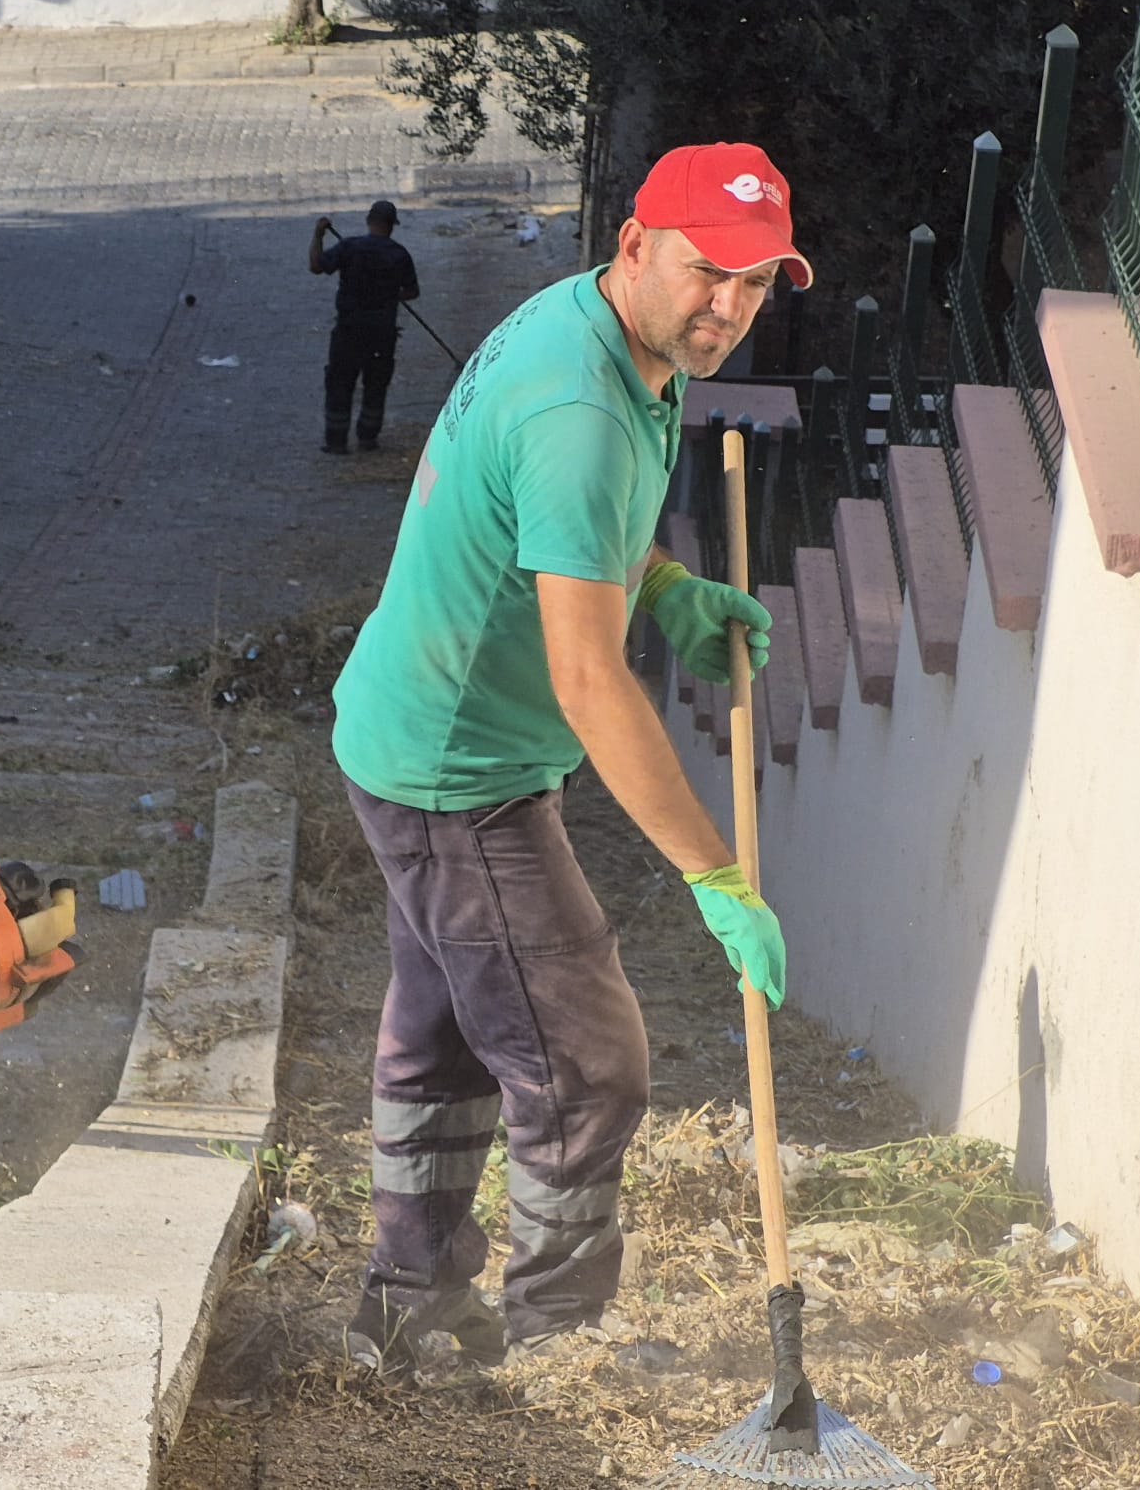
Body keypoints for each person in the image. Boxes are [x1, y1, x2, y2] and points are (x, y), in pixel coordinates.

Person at [328, 143, 812, 1375]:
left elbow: (556, 525)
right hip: (459, 773)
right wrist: (713, 876)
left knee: (441, 1036)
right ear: (637, 244)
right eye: (711, 274)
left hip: (413, 731)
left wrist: (664, 587)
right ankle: (556, 1343)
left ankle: (406, 1300)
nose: (730, 309)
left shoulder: (603, 336)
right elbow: (586, 683)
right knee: (588, 1066)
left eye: (757, 285)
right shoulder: (583, 407)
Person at [309, 199, 420, 454]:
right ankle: (368, 438)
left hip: (349, 330)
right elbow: (412, 291)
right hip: (382, 333)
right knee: (376, 384)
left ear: (369, 221)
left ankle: (336, 441)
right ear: (392, 226)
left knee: (339, 383)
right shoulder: (399, 255)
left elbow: (316, 266)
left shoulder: (349, 247)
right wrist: (390, 295)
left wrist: (318, 235)